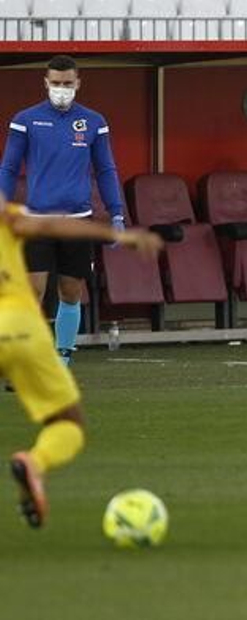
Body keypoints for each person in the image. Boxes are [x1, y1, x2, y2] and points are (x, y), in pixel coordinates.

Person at [1, 193, 162, 528]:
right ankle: (35, 461)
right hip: (22, 325)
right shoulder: (8, 217)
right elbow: (50, 223)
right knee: (68, 423)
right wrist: (118, 235)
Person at [0, 55, 128, 364]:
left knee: (70, 293)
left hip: (78, 221)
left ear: (78, 83)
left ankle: (63, 358)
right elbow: (8, 167)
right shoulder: (25, 119)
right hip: (38, 222)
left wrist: (117, 213)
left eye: (67, 83)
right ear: (45, 83)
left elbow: (106, 170)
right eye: (55, 83)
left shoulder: (95, 122)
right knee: (33, 293)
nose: (61, 89)